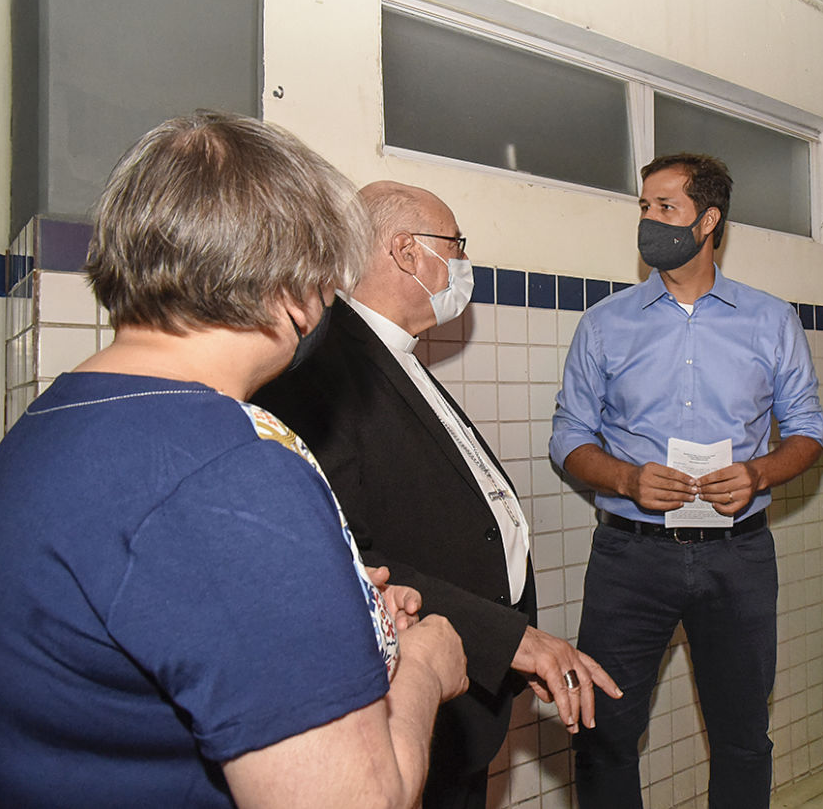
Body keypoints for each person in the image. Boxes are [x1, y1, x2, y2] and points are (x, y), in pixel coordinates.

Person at [0, 111, 468, 808]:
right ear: (296, 285)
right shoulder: (231, 472)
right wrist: (426, 667)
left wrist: (332, 603)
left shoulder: (51, 422)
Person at [253, 180, 620, 809]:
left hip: (467, 681)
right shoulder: (324, 366)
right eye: (455, 245)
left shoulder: (393, 355)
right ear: (406, 251)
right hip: (411, 677)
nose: (462, 262)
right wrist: (508, 639)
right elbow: (347, 551)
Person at [550, 152, 823, 808]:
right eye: (644, 207)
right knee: (605, 731)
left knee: (742, 736)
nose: (649, 221)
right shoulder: (605, 323)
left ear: (708, 220)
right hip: (630, 557)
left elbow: (809, 429)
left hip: (739, 555)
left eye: (664, 207)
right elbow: (568, 437)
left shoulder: (770, 320)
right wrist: (625, 478)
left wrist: (760, 471)